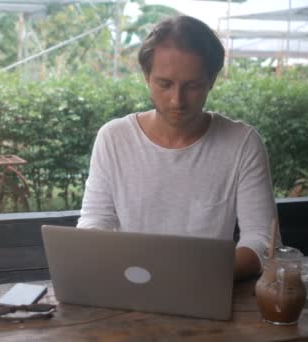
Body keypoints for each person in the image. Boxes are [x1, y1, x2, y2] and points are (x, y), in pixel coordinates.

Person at [77, 15, 277, 281]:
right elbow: (95, 221)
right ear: (147, 77)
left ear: (211, 81)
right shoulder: (114, 138)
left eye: (193, 86)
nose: (177, 100)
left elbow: (262, 238)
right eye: (165, 84)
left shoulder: (241, 143)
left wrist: (197, 276)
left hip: (209, 287)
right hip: (129, 286)